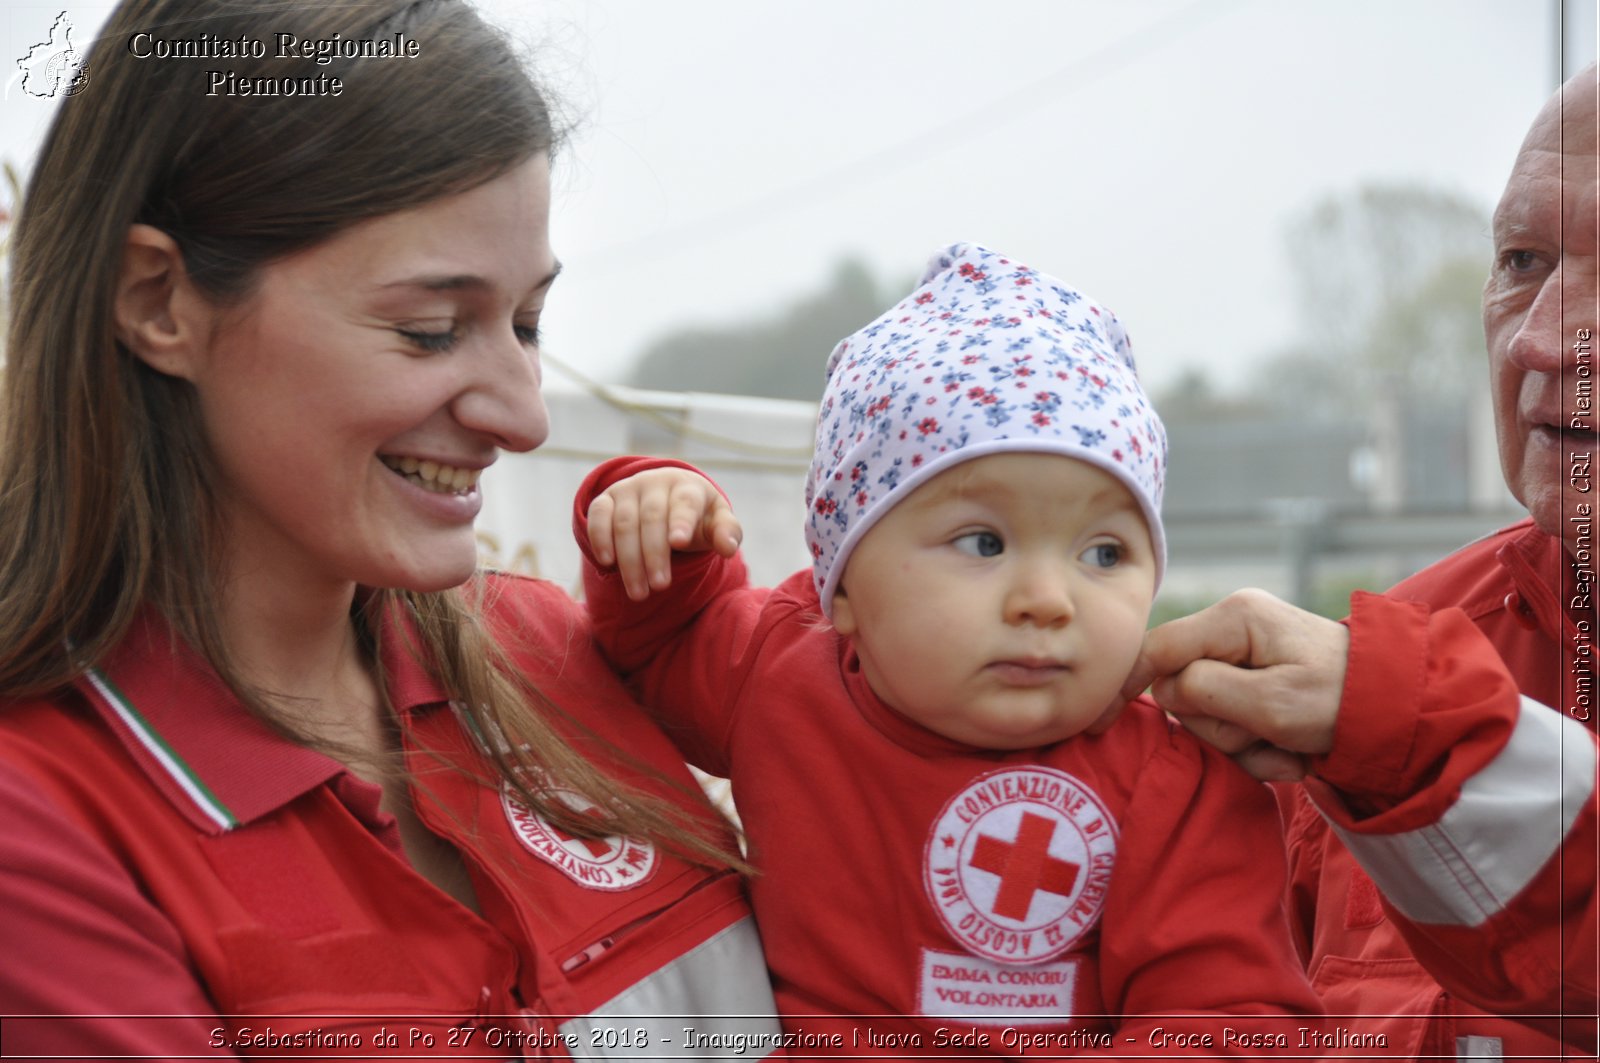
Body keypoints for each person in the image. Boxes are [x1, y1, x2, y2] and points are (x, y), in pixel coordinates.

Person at [0, 0, 782, 1057]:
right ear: (158, 301)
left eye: (526, 324)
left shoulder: (545, 647)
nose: (523, 413)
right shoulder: (39, 824)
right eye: (430, 330)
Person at [576, 242, 1325, 1053]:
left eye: (1104, 553)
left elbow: (1231, 1022)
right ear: (846, 585)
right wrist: (661, 528)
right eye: (983, 541)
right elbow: (651, 649)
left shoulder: (1178, 784)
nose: (1047, 599)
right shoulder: (778, 669)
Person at [1119, 64, 1599, 1060]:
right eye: (1521, 260)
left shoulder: (1381, 704)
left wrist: (1401, 727)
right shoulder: (1392, 669)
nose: (1545, 341)